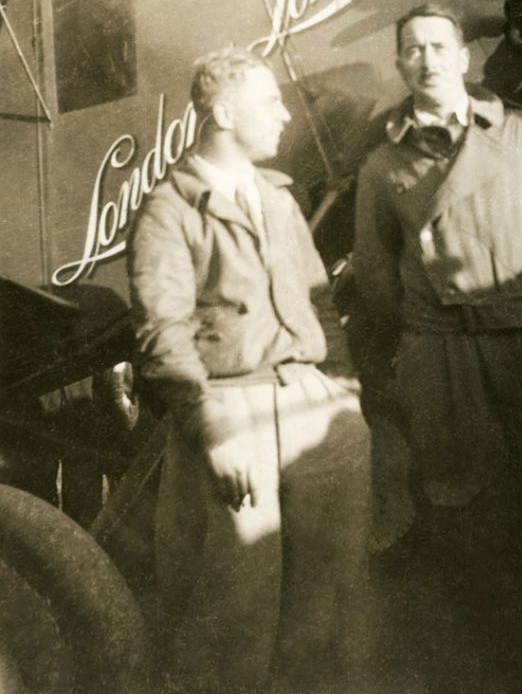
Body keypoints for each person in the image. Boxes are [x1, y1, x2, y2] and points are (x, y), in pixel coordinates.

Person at [353, 2, 522, 692]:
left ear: (465, 58)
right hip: (449, 366)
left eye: (440, 46)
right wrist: (412, 362)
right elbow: (378, 285)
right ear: (400, 65)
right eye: (412, 49)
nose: (427, 59)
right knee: (475, 528)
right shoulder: (383, 167)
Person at [128, 46, 370, 694]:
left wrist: (344, 390)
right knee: (236, 618)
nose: (286, 115)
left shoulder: (279, 200)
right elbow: (162, 333)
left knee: (333, 609)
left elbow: (318, 298)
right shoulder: (168, 211)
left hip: (317, 409)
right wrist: (212, 429)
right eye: (270, 102)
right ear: (226, 112)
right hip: (234, 419)